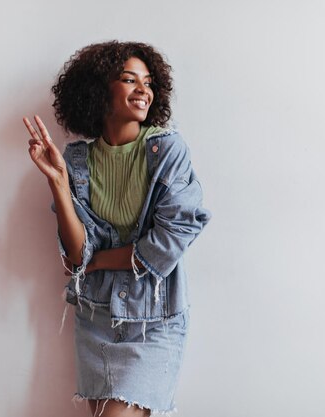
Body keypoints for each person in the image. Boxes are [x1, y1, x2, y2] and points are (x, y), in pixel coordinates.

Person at [23, 40, 210, 417]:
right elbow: (77, 256)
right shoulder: (77, 160)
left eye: (149, 82)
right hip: (95, 319)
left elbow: (169, 242)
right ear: (99, 91)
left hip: (153, 322)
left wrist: (95, 262)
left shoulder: (168, 151)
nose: (144, 90)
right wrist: (58, 182)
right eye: (129, 80)